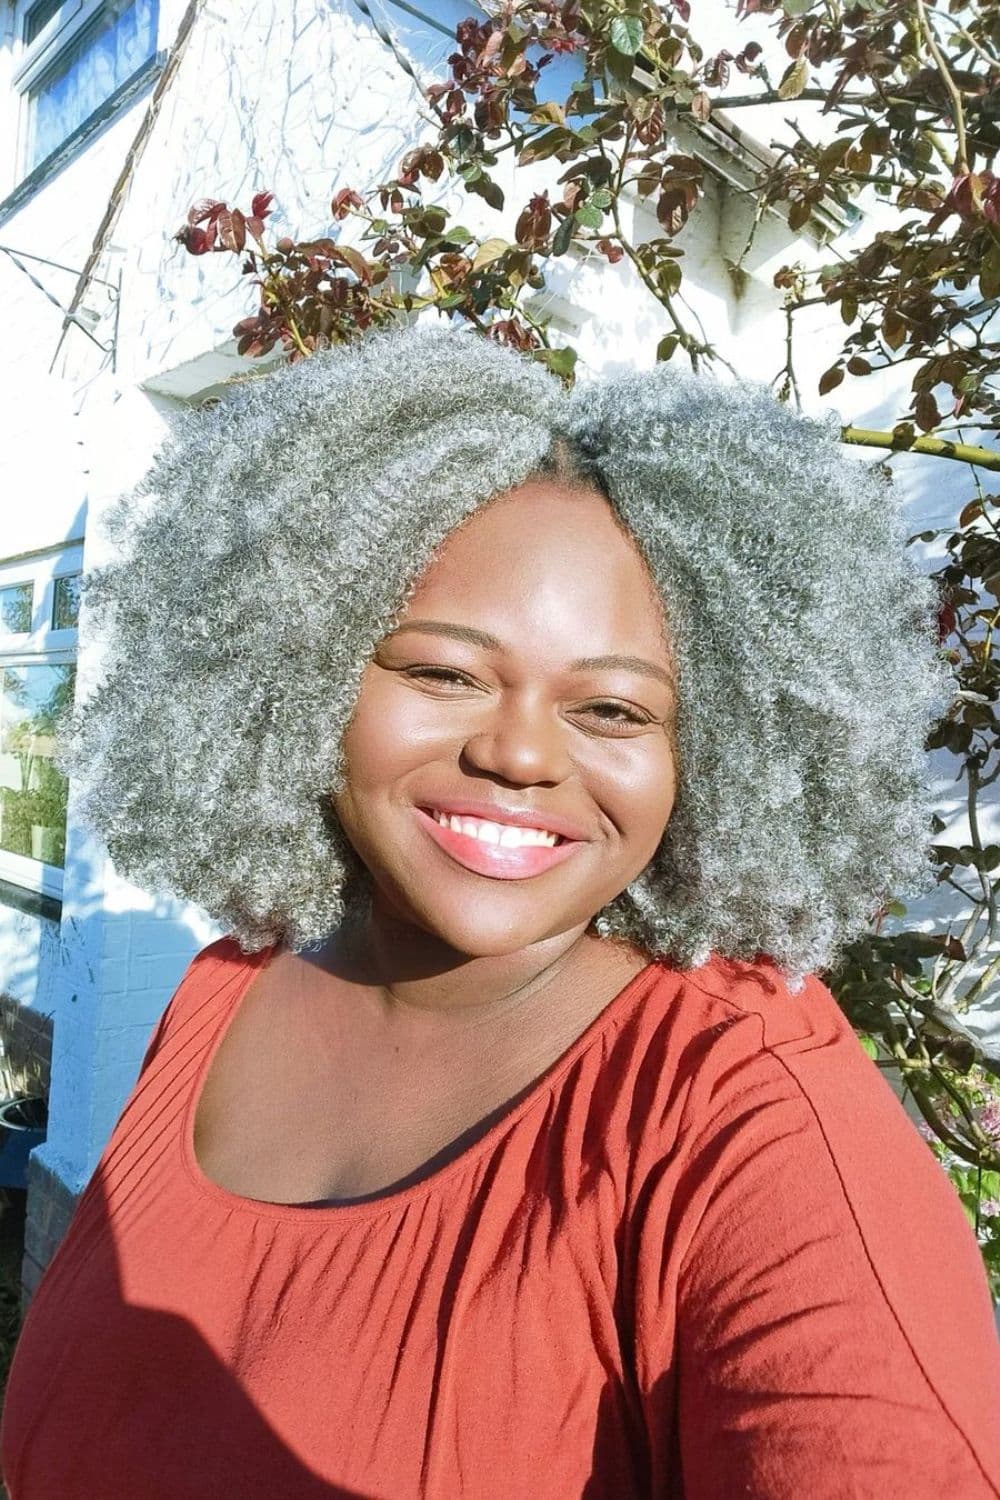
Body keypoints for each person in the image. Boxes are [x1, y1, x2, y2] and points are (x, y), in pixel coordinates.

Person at [2, 321, 998, 1499]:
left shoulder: (745, 1111)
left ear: (718, 752)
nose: (521, 753)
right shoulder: (228, 988)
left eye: (616, 712)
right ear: (296, 671)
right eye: (443, 673)